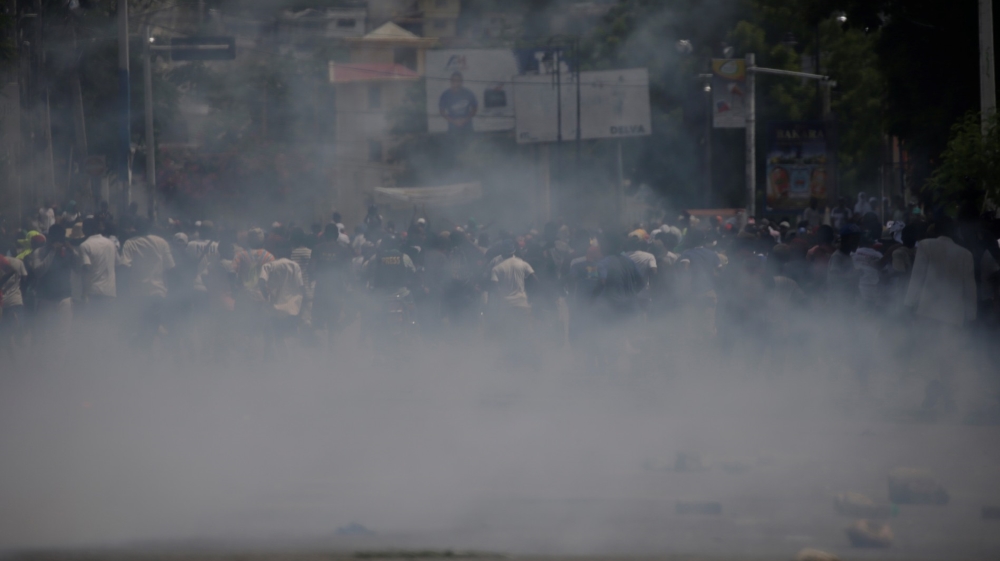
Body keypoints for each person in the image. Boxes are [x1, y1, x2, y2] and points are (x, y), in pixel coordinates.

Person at [120, 218, 176, 346]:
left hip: (138, 293)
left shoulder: (130, 243)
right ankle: (149, 352)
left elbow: (124, 266)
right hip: (158, 292)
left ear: (136, 228)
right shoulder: (162, 242)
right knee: (152, 326)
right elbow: (171, 267)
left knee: (141, 325)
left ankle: (143, 352)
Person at [77, 217, 120, 308]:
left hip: (94, 293)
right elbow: (117, 264)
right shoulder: (111, 243)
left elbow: (86, 268)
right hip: (110, 292)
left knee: (93, 321)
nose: (83, 230)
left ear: (87, 229)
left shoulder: (85, 245)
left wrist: (84, 292)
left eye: (84, 227)